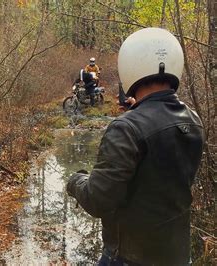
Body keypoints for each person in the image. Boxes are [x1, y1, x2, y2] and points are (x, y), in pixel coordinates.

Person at [66, 28, 204, 265]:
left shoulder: (127, 128)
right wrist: (137, 112)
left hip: (130, 257)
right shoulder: (192, 119)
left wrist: (75, 181)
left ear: (131, 65)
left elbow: (98, 199)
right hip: (178, 255)